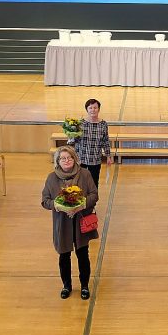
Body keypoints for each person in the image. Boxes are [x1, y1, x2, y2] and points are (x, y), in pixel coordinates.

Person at [41, 146, 99, 300]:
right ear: (58, 161)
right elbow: (45, 200)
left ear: (74, 159)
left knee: (83, 255)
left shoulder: (85, 174)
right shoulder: (51, 178)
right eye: (63, 158)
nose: (66, 161)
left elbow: (94, 195)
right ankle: (66, 286)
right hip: (62, 224)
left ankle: (84, 286)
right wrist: (57, 205)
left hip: (81, 222)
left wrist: (81, 205)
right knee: (64, 257)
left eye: (69, 157)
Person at [72, 98, 113, 186]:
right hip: (81, 157)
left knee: (94, 182)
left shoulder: (103, 124)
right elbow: (74, 140)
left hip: (95, 158)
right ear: (87, 109)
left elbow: (105, 141)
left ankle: (92, 199)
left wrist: (108, 156)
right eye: (90, 108)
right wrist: (71, 135)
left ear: (99, 109)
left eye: (95, 108)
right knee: (80, 182)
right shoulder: (80, 123)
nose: (93, 110)